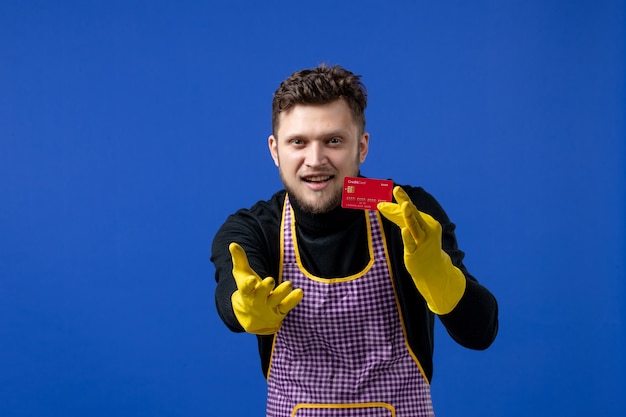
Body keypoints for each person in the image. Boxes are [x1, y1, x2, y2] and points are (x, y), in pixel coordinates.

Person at [211, 64, 498, 417]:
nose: (315, 161)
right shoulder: (253, 227)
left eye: (333, 140)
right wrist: (243, 306)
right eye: (298, 142)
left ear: (361, 147)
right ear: (275, 150)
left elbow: (480, 333)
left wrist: (440, 278)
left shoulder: (405, 212)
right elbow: (230, 289)